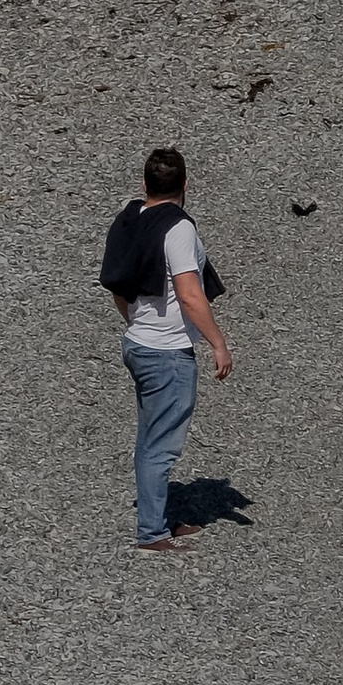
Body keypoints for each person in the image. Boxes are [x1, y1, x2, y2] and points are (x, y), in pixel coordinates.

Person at [107, 145, 230, 555]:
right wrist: (218, 343)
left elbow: (117, 285)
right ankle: (152, 533)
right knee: (160, 445)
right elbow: (191, 295)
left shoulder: (131, 219)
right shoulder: (178, 230)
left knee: (149, 438)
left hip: (139, 344)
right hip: (167, 353)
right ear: (186, 185)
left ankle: (156, 517)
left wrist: (134, 323)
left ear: (145, 185)